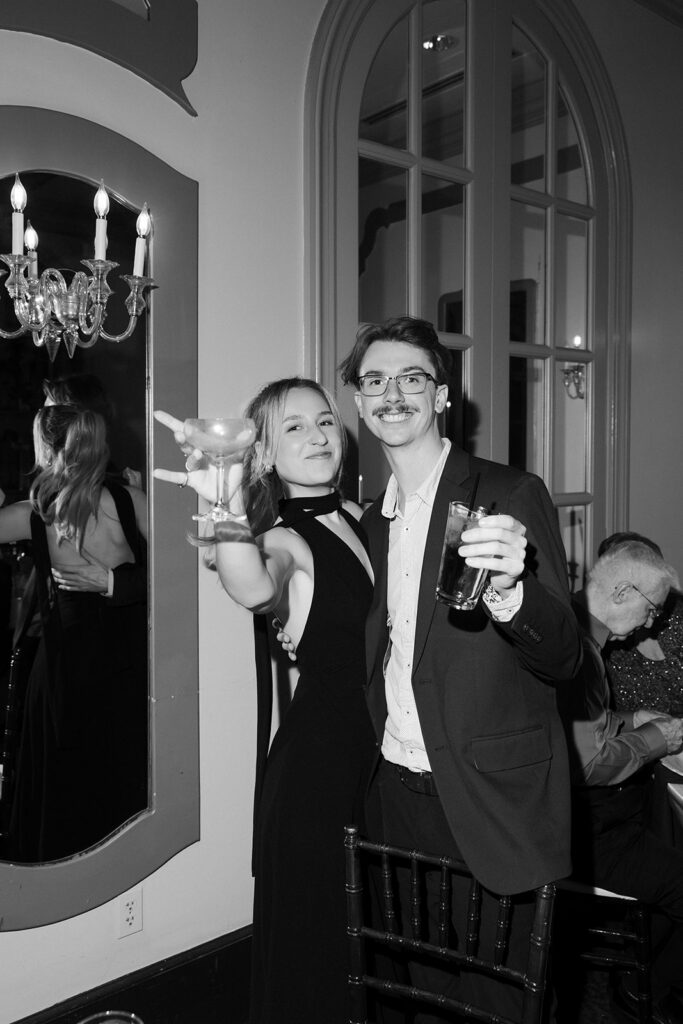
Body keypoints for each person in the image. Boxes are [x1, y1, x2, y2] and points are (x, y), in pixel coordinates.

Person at [338, 315, 582, 1019]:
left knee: (499, 997)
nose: (392, 394)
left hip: (489, 794)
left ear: (442, 397)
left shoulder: (506, 493)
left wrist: (511, 594)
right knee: (420, 988)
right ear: (358, 400)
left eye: (411, 378)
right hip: (396, 787)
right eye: (374, 381)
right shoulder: (373, 520)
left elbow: (564, 654)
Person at [153, 378, 377, 1024]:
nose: (316, 436)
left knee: (368, 938)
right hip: (319, 774)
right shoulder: (286, 538)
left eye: (325, 422)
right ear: (265, 457)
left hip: (374, 756)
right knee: (320, 950)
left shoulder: (366, 520)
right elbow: (251, 585)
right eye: (293, 428)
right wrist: (225, 508)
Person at [0, 404, 148, 861]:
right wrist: (114, 582)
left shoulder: (34, 512)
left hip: (67, 657)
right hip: (117, 654)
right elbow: (187, 570)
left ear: (47, 447)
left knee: (64, 771)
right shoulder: (128, 501)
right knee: (110, 766)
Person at [556, 539, 683, 1021]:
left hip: (586, 814)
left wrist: (630, 719)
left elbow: (579, 727)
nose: (652, 623)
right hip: (583, 830)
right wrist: (654, 739)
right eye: (651, 609)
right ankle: (644, 988)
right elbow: (586, 765)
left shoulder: (569, 625)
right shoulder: (581, 652)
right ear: (624, 592)